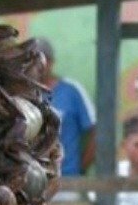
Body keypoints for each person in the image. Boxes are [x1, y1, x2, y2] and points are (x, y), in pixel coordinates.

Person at [33, 36, 95, 177]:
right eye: (31, 61)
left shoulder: (72, 91)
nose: (36, 66)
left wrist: (80, 169)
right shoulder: (22, 93)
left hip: (67, 179)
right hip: (33, 181)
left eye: (41, 60)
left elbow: (95, 133)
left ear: (51, 62)